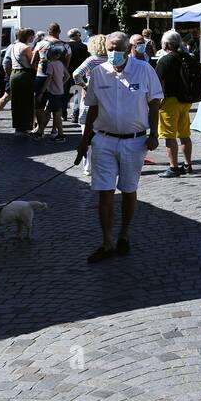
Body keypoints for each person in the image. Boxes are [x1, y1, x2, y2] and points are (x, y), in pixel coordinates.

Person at [76, 31, 163, 264]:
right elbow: (92, 109)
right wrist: (84, 141)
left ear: (127, 48)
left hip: (135, 141)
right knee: (104, 191)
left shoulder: (144, 70)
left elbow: (154, 103)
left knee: (128, 189)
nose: (114, 52)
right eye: (110, 48)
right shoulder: (97, 73)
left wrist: (154, 134)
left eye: (118, 48)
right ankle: (106, 241)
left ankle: (124, 234)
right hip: (103, 139)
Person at [155, 30, 198, 178]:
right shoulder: (188, 57)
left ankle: (173, 167)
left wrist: (156, 102)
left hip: (170, 100)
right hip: (186, 100)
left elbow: (158, 83)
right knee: (184, 134)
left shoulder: (164, 60)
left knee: (169, 136)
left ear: (166, 44)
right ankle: (188, 164)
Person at [34, 43, 70, 141]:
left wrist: (41, 92)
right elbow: (67, 76)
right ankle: (40, 132)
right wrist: (61, 83)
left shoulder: (51, 65)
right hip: (59, 92)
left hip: (53, 93)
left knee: (54, 114)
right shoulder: (60, 64)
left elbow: (48, 79)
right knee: (50, 113)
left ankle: (60, 135)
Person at [72, 34, 108, 130]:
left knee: (87, 123)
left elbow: (76, 74)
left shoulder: (92, 60)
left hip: (92, 93)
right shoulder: (112, 61)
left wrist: (85, 86)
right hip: (108, 94)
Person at [6, 28, 37, 134]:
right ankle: (26, 126)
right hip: (24, 75)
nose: (33, 38)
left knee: (16, 102)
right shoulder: (26, 48)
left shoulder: (14, 46)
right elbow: (33, 65)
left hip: (14, 74)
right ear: (27, 36)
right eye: (32, 36)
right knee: (27, 102)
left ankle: (18, 127)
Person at [66, 29, 90, 124]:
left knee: (65, 93)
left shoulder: (65, 46)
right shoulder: (83, 47)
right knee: (77, 94)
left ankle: (63, 113)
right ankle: (75, 115)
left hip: (67, 72)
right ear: (76, 35)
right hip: (79, 72)